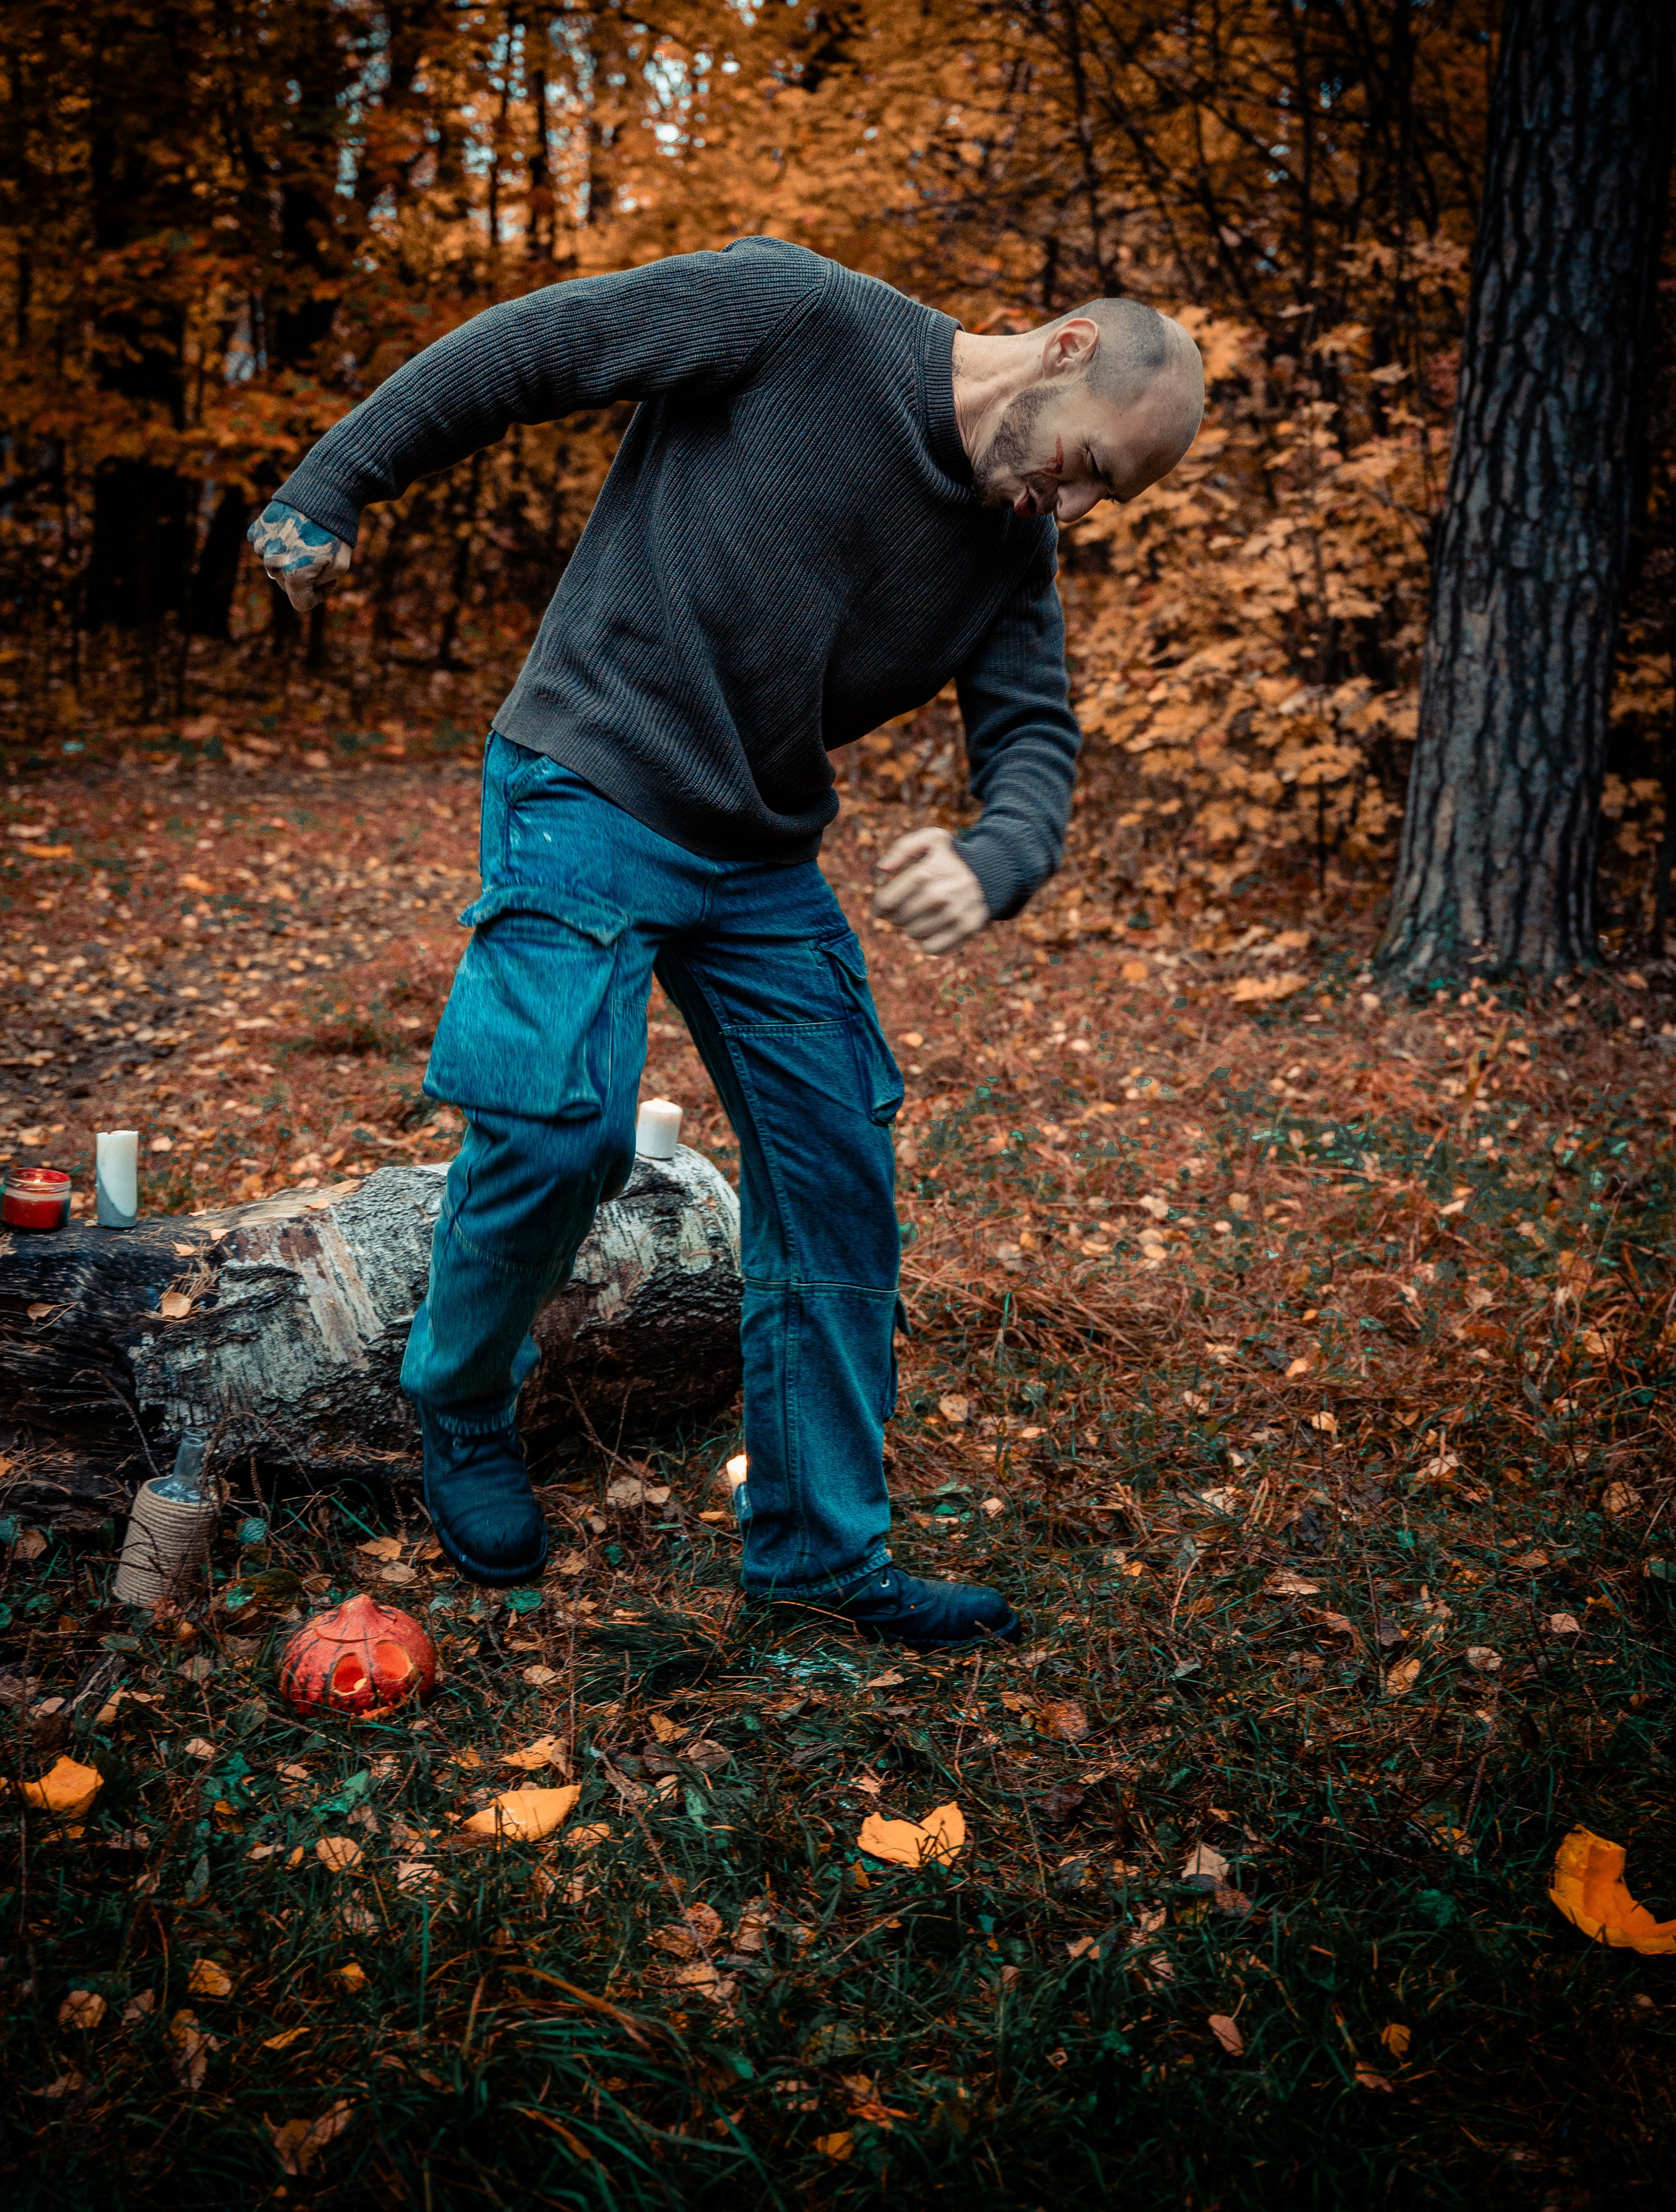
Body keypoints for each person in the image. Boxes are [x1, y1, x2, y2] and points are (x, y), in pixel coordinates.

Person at [253, 239, 1203, 1650]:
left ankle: (817, 1554)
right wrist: (330, 485)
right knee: (556, 1125)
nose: (1059, 499)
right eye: (1077, 464)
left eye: (1094, 495)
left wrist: (994, 855)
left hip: (757, 854)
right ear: (1064, 347)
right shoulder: (794, 312)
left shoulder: (1009, 545)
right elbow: (533, 347)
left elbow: (1030, 740)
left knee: (836, 1166)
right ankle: (456, 1400)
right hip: (584, 777)